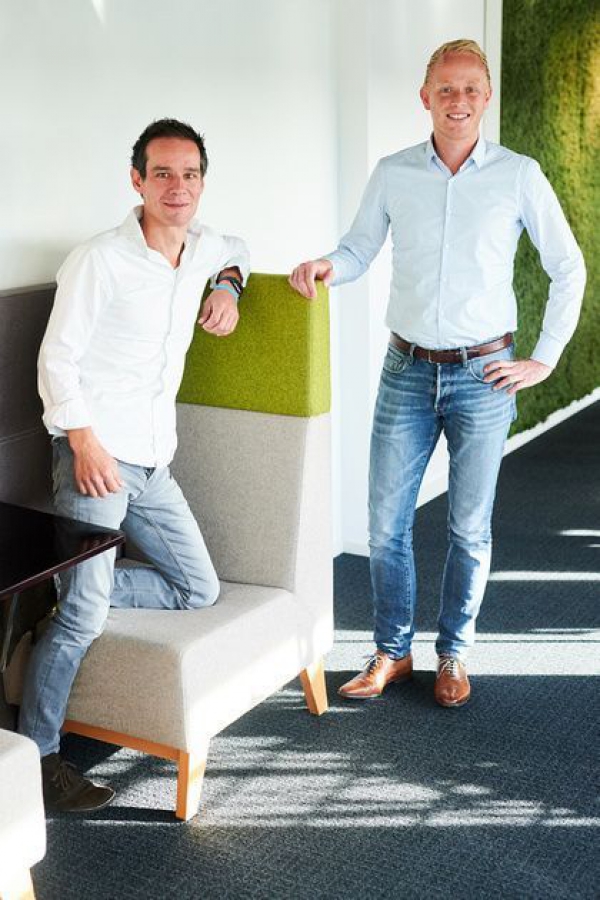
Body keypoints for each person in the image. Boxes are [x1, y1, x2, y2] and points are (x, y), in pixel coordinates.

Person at [290, 40, 586, 708]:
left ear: (487, 97)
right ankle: (392, 652)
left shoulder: (519, 175)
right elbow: (359, 248)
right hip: (406, 370)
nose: (458, 101)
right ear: (425, 96)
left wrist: (544, 357)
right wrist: (328, 265)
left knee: (468, 528)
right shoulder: (394, 172)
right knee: (385, 525)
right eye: (446, 89)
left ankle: (454, 653)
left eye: (471, 89)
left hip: (486, 376)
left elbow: (567, 266)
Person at [19, 118, 250, 811]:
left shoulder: (202, 247)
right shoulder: (99, 260)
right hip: (95, 456)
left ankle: (65, 590)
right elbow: (56, 359)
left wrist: (229, 287)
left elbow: (238, 249)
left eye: (190, 174)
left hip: (154, 460)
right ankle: (38, 760)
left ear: (202, 182)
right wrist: (83, 442)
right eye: (163, 174)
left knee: (199, 588)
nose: (178, 187)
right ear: (137, 181)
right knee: (83, 620)